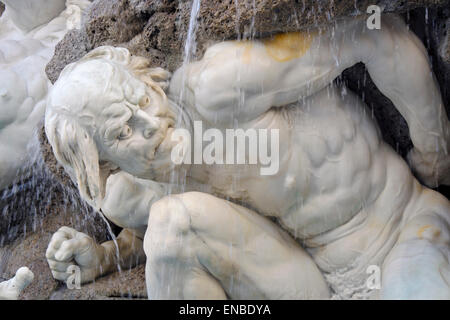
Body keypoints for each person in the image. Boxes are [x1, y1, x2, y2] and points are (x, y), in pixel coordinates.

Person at [45, 14, 450, 299]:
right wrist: (103, 258)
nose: (150, 124)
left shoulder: (221, 88)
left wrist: (436, 150)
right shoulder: (132, 192)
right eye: (122, 132)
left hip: (400, 230)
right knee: (170, 227)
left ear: (147, 78)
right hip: (311, 281)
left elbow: (376, 35)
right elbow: (151, 242)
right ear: (107, 164)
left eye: (142, 98)